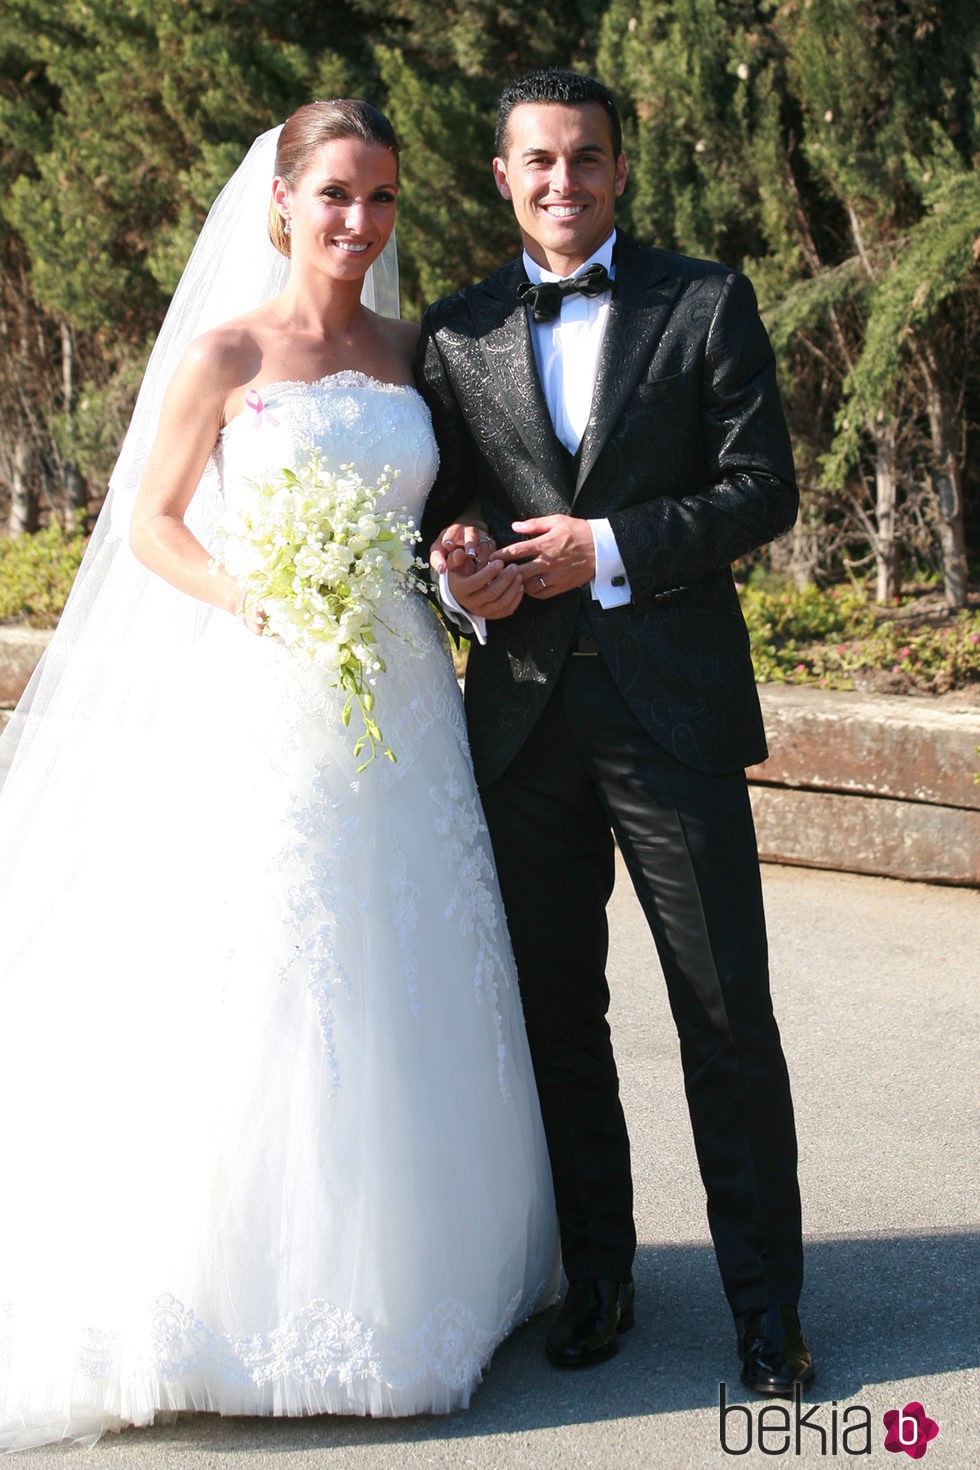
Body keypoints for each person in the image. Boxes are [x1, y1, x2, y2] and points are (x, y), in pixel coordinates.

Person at [0, 100, 558, 1451]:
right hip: (267, 693)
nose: (359, 224)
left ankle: (430, 1276)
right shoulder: (227, 351)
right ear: (282, 205)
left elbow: (443, 517)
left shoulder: (414, 355)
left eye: (380, 199)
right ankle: (233, 1297)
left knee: (407, 959)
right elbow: (151, 521)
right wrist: (250, 596)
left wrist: (459, 566)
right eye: (335, 197)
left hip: (405, 703)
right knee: (270, 962)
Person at [417, 68, 813, 1395]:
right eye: (538, 163)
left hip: (675, 711)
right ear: (502, 177)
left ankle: (769, 1309)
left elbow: (765, 487)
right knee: (556, 1018)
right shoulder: (455, 330)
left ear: (620, 167)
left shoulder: (703, 301)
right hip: (521, 718)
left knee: (724, 1012)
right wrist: (458, 567)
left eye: (586, 159)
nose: (563, 183)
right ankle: (600, 1284)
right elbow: (447, 510)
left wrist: (615, 547)